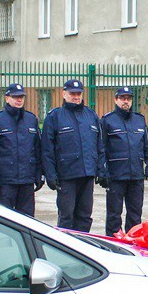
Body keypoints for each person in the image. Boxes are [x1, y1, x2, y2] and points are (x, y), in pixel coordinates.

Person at [41, 79, 104, 232]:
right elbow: (47, 149)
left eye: (79, 94)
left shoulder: (91, 116)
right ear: (64, 94)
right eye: (72, 94)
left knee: (85, 216)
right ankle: (65, 250)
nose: (76, 97)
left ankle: (82, 249)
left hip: (87, 174)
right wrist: (50, 174)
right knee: (66, 217)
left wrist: (101, 170)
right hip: (67, 175)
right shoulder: (55, 117)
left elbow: (99, 146)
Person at [100, 86, 148, 236]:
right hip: (116, 176)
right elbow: (101, 149)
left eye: (129, 98)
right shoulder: (108, 120)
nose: (126, 101)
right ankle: (113, 245)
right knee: (114, 215)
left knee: (135, 215)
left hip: (136, 176)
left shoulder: (139, 120)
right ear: (116, 99)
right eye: (122, 98)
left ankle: (133, 243)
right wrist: (103, 171)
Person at [0, 83, 43, 216]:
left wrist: (40, 174)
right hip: (6, 181)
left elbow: (37, 149)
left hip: (26, 180)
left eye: (22, 97)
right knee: (4, 220)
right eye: (15, 97)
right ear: (7, 98)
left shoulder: (31, 119)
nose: (19, 100)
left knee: (27, 221)